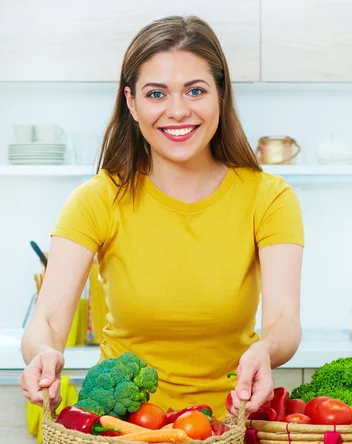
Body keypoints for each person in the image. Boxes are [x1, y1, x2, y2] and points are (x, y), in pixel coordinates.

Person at [20, 15, 304, 423]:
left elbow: (284, 321)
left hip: (229, 433)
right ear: (131, 103)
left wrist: (267, 348)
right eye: (156, 94)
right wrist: (44, 353)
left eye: (195, 90)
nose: (177, 110)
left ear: (221, 96)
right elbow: (46, 319)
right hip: (125, 434)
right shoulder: (97, 199)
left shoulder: (269, 198)